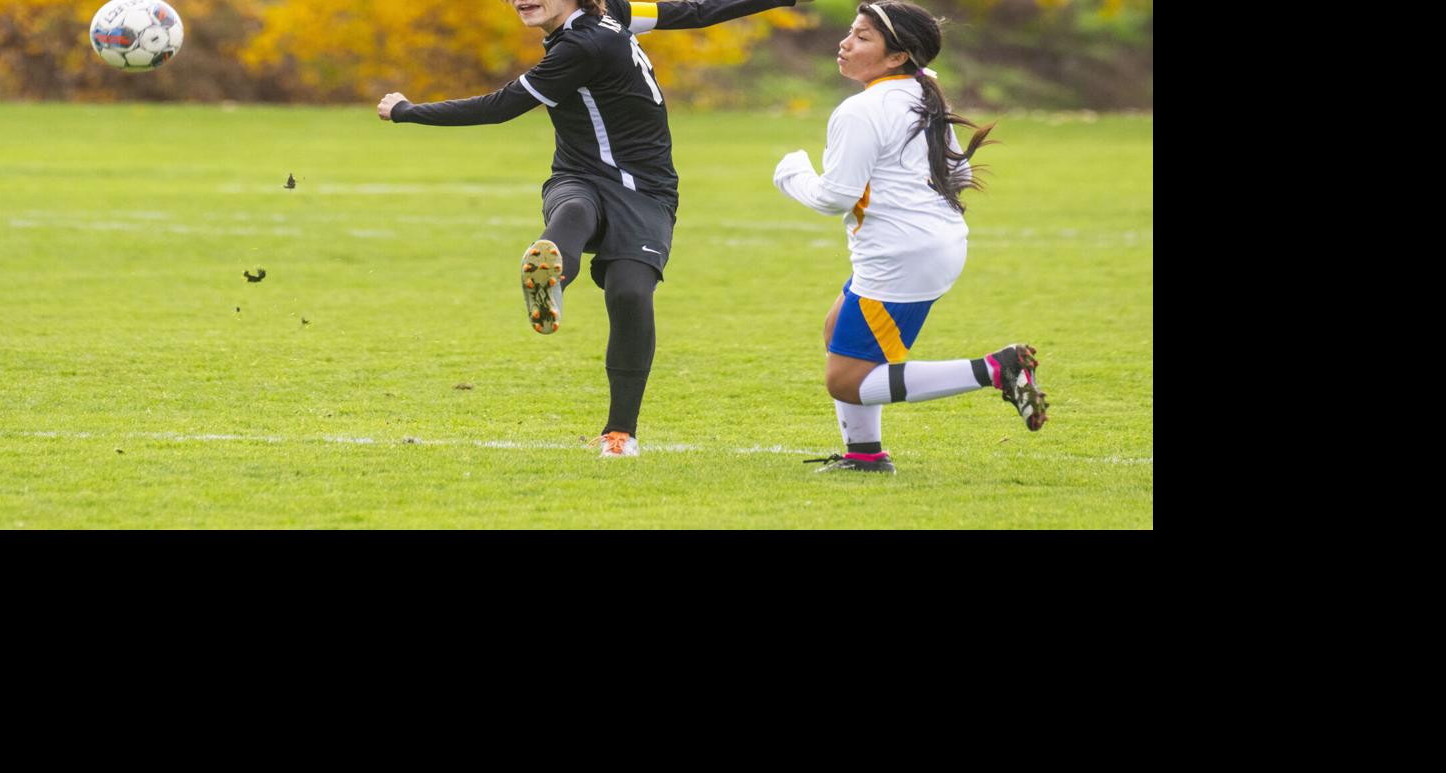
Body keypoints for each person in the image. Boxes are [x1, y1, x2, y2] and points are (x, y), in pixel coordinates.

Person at [379, 0, 804, 457]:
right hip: (577, 176)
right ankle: (549, 278)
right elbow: (695, 12)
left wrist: (407, 110)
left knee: (630, 294)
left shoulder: (586, 42)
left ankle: (620, 432)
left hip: (646, 191)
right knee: (575, 209)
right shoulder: (614, 13)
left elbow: (501, 106)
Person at [772, 1, 1047, 475]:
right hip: (933, 246)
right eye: (850, 32)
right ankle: (865, 456)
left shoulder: (861, 110)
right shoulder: (924, 92)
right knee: (837, 330)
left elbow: (835, 197)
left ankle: (994, 369)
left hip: (902, 257)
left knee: (845, 381)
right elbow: (959, 175)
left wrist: (791, 174)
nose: (845, 43)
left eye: (862, 37)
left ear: (898, 56)